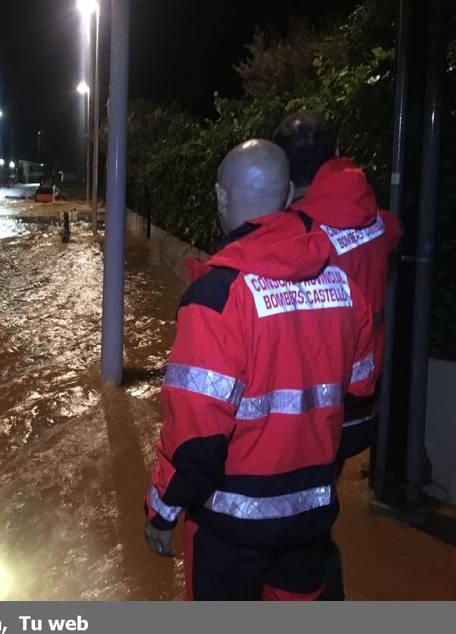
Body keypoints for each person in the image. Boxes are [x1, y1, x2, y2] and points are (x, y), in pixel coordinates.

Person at [143, 139, 377, 601]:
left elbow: (196, 438)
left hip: (230, 531)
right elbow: (360, 400)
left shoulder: (216, 298)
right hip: (310, 521)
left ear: (221, 198)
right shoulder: (346, 288)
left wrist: (161, 510)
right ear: (290, 195)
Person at [273, 112, 402, 599]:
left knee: (301, 516)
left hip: (318, 401)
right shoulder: (368, 212)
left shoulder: (300, 233)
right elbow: (395, 232)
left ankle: (315, 589)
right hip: (363, 392)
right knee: (323, 490)